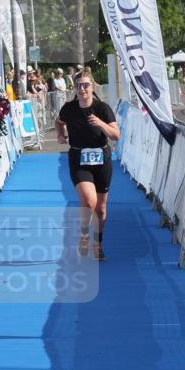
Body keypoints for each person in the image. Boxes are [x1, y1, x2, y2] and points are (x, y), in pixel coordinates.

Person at [55, 71, 120, 261]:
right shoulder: (69, 108)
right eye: (79, 86)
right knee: (89, 202)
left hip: (102, 159)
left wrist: (100, 123)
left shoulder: (103, 108)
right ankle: (84, 235)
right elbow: (59, 122)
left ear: (93, 87)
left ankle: (98, 245)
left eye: (86, 85)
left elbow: (116, 135)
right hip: (78, 158)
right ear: (75, 89)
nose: (82, 89)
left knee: (101, 209)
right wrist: (60, 134)